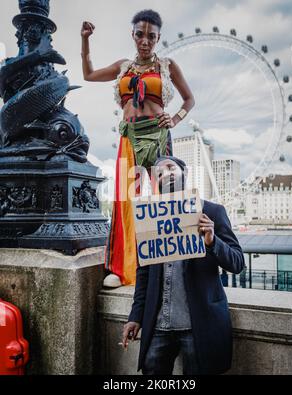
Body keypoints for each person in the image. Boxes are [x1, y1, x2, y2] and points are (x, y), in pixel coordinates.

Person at [81, 10, 195, 286]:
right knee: (126, 201)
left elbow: (189, 99)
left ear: (158, 38)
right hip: (129, 139)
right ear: (132, 35)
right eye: (140, 34)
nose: (145, 41)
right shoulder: (123, 67)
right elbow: (89, 74)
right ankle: (124, 270)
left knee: (162, 200)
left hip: (157, 136)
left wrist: (176, 118)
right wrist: (85, 41)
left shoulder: (167, 66)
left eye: (151, 36)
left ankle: (165, 273)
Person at [122, 156, 245, 375]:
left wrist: (212, 242)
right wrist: (135, 316)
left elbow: (237, 263)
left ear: (184, 173)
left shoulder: (213, 211)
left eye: (170, 168)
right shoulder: (149, 218)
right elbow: (144, 275)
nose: (165, 174)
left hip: (198, 327)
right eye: (158, 174)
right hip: (158, 327)